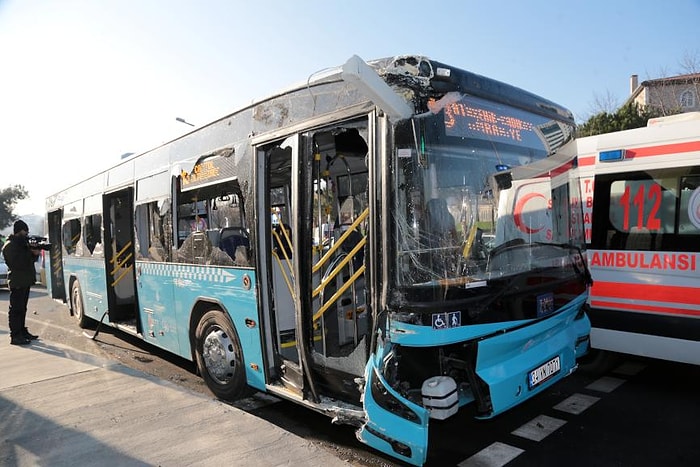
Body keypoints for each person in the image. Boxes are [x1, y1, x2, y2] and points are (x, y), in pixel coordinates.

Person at [2, 219, 40, 345]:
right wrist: (30, 253)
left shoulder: (21, 244)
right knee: (16, 309)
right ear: (19, 231)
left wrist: (35, 253)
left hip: (25, 280)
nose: (27, 233)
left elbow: (29, 261)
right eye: (25, 231)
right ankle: (15, 335)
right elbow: (18, 263)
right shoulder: (10, 246)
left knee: (22, 308)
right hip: (17, 281)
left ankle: (22, 331)